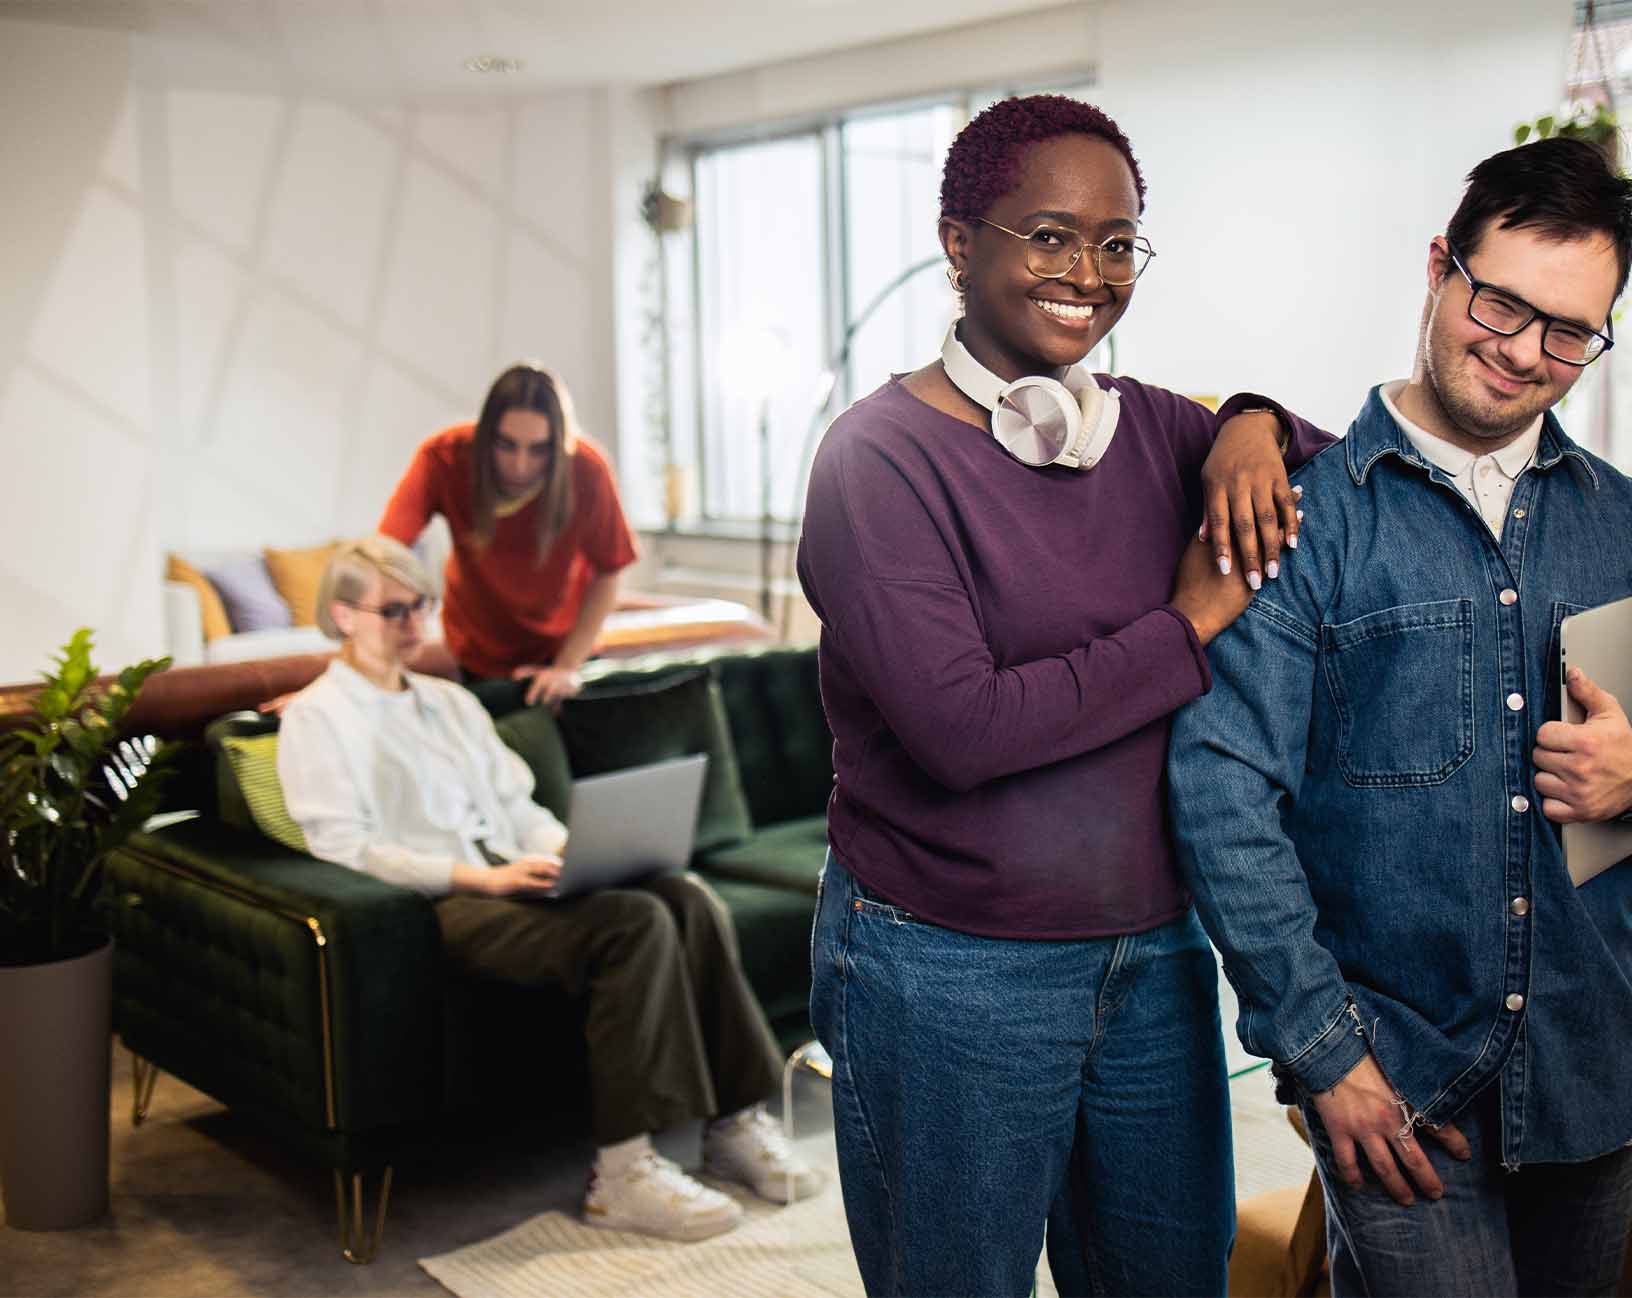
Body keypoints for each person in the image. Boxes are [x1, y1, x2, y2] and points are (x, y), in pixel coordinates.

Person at [1167, 137, 1632, 1298]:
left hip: (1591, 1070)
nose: (1522, 353)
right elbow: (1219, 794)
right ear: (1440, 266)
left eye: (1568, 333)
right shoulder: (1303, 521)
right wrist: (1323, 1055)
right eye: (1500, 303)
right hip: (1396, 1088)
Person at [797, 94, 1332, 1297]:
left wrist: (1248, 419)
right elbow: (962, 728)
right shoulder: (873, 460)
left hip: (1151, 950)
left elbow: (1339, 464)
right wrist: (1188, 620)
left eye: (1114, 241)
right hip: (944, 967)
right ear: (956, 243)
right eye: (1045, 235)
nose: (1086, 272)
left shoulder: (1149, 428)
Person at [276, 534, 823, 1242]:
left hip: (516, 878)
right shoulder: (318, 718)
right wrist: (483, 876)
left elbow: (521, 808)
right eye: (394, 610)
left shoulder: (450, 703)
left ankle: (732, 1123)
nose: (414, 624)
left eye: (422, 607)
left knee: (683, 894)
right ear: (343, 615)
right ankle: (622, 1174)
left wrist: (572, 852)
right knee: (635, 924)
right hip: (443, 905)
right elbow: (345, 846)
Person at [380, 362, 634, 708]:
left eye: (538, 449)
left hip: (563, 654)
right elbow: (385, 554)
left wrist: (566, 667)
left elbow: (611, 568)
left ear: (558, 445)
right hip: (477, 655)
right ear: (486, 434)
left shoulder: (588, 470)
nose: (520, 466)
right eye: (506, 445)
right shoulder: (444, 457)